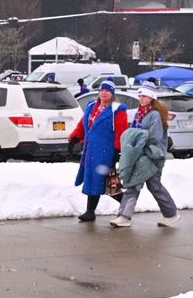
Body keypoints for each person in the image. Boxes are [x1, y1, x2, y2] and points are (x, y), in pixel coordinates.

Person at [111, 86, 180, 228]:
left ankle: (125, 217)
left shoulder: (154, 114)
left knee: (144, 185)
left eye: (144, 96)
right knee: (140, 184)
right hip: (142, 154)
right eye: (140, 96)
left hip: (152, 156)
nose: (141, 99)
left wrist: (137, 140)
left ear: (151, 98)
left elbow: (154, 136)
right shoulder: (140, 113)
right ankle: (170, 213)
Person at [68, 80, 129, 222]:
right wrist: (74, 138)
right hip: (91, 151)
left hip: (106, 152)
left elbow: (121, 132)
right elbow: (82, 126)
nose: (103, 93)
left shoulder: (117, 110)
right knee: (93, 180)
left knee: (109, 183)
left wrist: (118, 151)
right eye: (101, 90)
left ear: (112, 93)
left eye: (107, 91)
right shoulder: (91, 106)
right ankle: (90, 211)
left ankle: (127, 205)